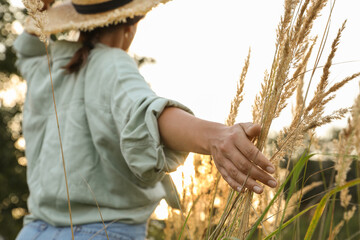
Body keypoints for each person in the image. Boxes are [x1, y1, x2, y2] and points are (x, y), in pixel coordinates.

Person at [14, 0, 278, 239]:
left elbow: (26, 50)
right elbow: (146, 113)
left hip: (34, 231)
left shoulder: (49, 62)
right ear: (131, 27)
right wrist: (214, 136)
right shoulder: (113, 63)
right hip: (101, 232)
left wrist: (42, 10)